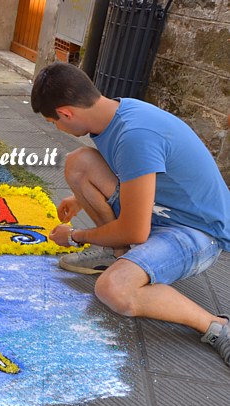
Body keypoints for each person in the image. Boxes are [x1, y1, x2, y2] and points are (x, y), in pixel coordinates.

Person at [31, 62, 230, 366]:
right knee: (79, 163)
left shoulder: (135, 135)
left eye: (53, 121)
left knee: (113, 289)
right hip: (163, 211)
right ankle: (119, 254)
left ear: (66, 113)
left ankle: (217, 326)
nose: (56, 128)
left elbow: (135, 230)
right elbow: (135, 176)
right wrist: (80, 199)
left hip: (198, 232)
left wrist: (74, 237)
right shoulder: (115, 114)